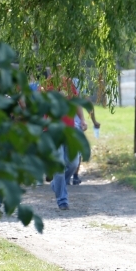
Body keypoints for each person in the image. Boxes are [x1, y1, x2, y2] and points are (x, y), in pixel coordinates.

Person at [44, 68, 87, 210]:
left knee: (73, 163)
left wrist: (82, 120)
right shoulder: (47, 84)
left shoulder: (69, 83)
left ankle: (56, 185)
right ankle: (62, 200)